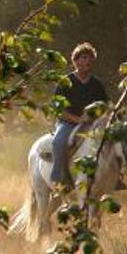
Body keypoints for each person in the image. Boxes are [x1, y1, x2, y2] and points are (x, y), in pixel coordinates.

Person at [50, 43, 111, 189]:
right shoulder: (65, 82)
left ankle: (114, 177)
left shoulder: (97, 84)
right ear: (75, 60)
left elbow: (104, 106)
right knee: (58, 142)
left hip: (92, 124)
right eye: (83, 58)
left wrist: (101, 118)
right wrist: (77, 119)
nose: (87, 61)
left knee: (112, 142)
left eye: (90, 58)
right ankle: (59, 177)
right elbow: (58, 110)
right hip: (68, 123)